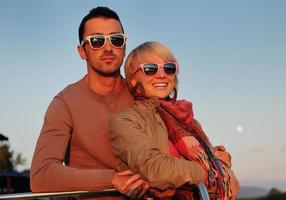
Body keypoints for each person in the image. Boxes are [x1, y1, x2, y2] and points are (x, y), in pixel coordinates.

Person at [30, 7, 149, 199]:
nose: (108, 48)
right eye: (96, 41)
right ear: (82, 51)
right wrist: (111, 180)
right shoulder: (65, 103)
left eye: (116, 39)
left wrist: (211, 154)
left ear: (124, 47)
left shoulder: (143, 95)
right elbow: (41, 175)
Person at [109, 41, 239, 199]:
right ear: (133, 80)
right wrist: (214, 169)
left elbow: (225, 176)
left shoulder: (188, 120)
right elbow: (156, 169)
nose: (162, 75)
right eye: (150, 69)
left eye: (169, 68)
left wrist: (218, 161)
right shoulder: (125, 121)